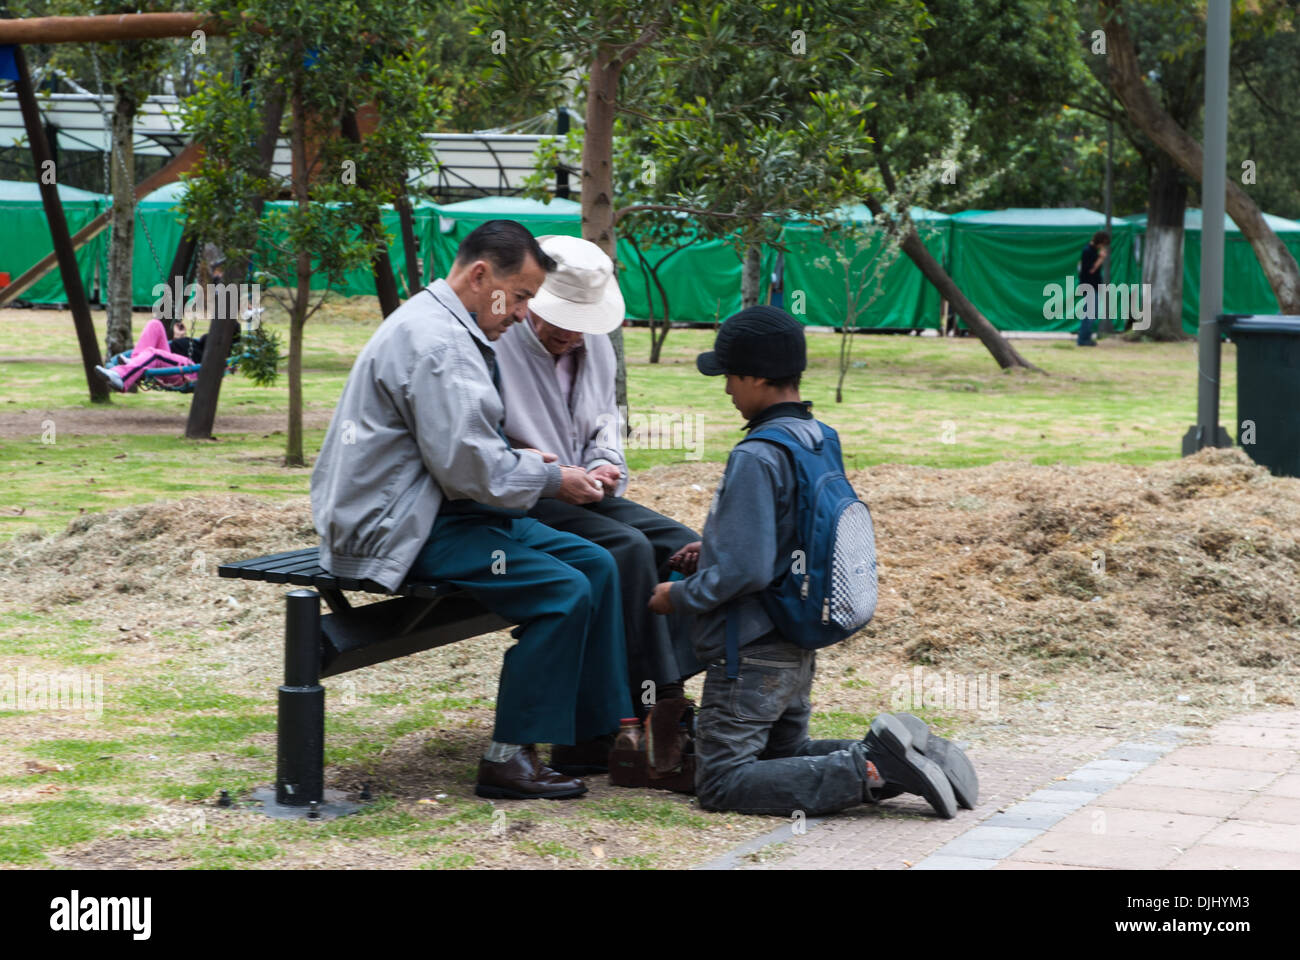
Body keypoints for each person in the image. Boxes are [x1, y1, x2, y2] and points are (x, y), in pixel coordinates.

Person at [311, 219, 634, 800]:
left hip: (441, 509)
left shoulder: (451, 326)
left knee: (598, 564)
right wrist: (549, 475)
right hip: (400, 525)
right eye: (523, 297)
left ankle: (588, 735)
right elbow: (471, 469)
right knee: (563, 590)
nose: (521, 313)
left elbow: (464, 452)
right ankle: (508, 757)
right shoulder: (440, 342)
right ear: (483, 276)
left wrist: (523, 460)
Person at [648, 306, 977, 818]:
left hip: (749, 654)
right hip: (797, 639)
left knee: (721, 782)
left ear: (756, 377)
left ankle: (873, 767)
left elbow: (748, 571)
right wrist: (710, 551)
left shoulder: (755, 454)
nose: (727, 390)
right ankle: (910, 755)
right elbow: (788, 535)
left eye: (731, 377)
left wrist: (679, 596)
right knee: (780, 757)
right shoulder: (819, 437)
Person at [492, 235, 700, 772]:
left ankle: (650, 699)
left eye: (580, 322)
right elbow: (481, 451)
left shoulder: (598, 344)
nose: (567, 334)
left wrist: (605, 462)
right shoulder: (500, 339)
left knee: (684, 546)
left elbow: (605, 420)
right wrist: (552, 475)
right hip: (521, 495)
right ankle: (650, 706)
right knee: (628, 550)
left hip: (580, 490)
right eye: (558, 319)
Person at [95, 317, 209, 392]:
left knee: (154, 354)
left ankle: (121, 377)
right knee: (155, 324)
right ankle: (136, 362)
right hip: (172, 358)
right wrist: (180, 337)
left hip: (189, 369)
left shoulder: (219, 340)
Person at [1077, 230, 1109, 346]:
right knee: (1090, 313)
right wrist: (1101, 259)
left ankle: (1085, 338)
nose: (1103, 247)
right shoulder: (1088, 251)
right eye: (1103, 244)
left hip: (1092, 286)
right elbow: (1091, 269)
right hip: (1089, 286)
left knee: (1091, 312)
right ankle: (1083, 339)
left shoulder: (1092, 250)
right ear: (1099, 242)